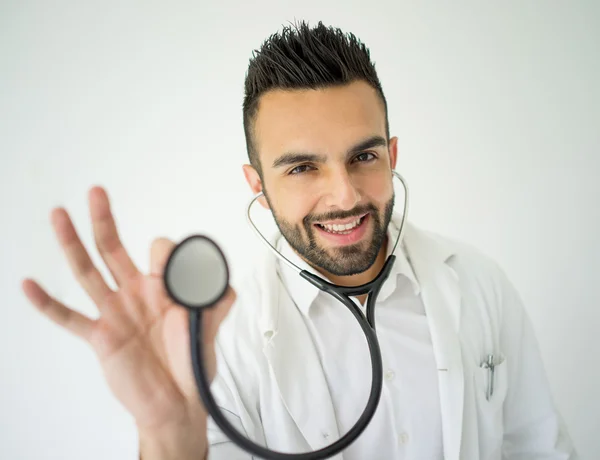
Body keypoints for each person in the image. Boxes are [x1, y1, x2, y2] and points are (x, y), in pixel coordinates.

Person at [22, 21, 577, 460]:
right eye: (303, 168)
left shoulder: (479, 282)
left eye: (364, 156)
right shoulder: (220, 343)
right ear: (257, 186)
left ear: (393, 154)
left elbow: (538, 448)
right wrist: (167, 434)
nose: (343, 196)